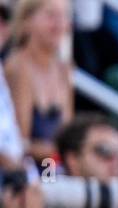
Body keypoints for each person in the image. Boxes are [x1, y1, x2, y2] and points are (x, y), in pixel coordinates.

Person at [3, 0, 73, 164]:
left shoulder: (64, 69)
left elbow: (67, 134)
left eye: (64, 15)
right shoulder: (18, 67)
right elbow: (18, 143)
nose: (59, 23)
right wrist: (58, 151)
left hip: (53, 171)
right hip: (25, 174)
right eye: (51, 15)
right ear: (26, 22)